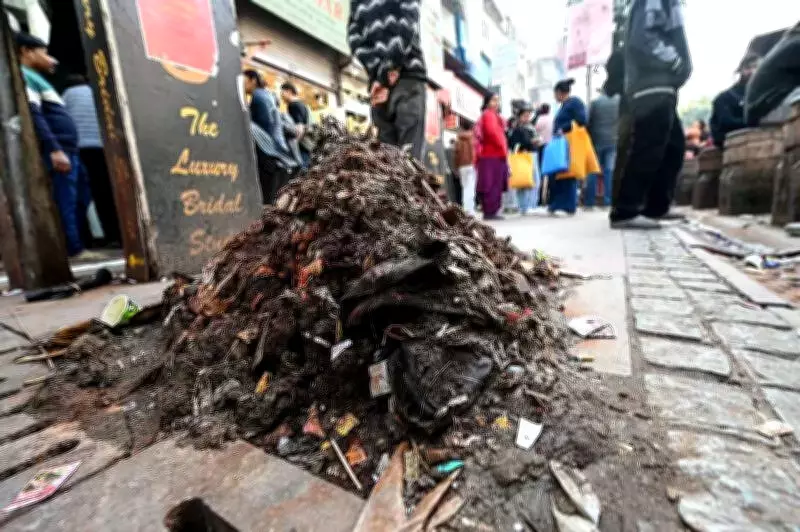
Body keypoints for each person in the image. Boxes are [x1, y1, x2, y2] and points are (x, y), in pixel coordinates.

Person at [17, 33, 101, 260]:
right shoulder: (24, 76)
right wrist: (54, 149)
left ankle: (76, 244)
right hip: (60, 149)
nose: (50, 58)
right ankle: (73, 249)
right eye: (43, 52)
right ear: (26, 51)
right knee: (66, 198)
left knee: (81, 196)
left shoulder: (36, 77)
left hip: (69, 149)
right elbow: (35, 115)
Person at [610, 0, 692, 230]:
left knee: (672, 147)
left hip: (661, 85)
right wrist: (675, 61)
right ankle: (627, 209)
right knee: (649, 147)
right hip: (652, 84)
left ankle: (655, 207)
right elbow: (643, 38)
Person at [348, 0, 427, 160]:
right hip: (407, 76)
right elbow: (408, 24)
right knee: (410, 161)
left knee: (386, 164)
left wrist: (378, 73)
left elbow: (354, 39)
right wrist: (390, 67)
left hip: (378, 86)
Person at [62, 73, 120, 247]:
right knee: (106, 192)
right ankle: (115, 236)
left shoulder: (65, 96)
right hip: (102, 148)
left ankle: (85, 239)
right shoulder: (94, 94)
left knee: (81, 195)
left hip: (78, 149)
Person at [243, 70, 298, 203]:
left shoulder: (258, 96)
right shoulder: (267, 95)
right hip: (277, 150)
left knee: (266, 194)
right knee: (272, 194)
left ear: (253, 80)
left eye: (245, 81)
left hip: (267, 151)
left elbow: (266, 124)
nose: (243, 85)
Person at [549, 79, 588, 215]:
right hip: (561, 143)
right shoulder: (565, 105)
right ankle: (559, 204)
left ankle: (568, 206)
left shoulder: (574, 102)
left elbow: (582, 120)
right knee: (561, 173)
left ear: (560, 93)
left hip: (569, 142)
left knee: (568, 174)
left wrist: (564, 128)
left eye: (555, 94)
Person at [710, 54, 759, 149]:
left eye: (756, 67)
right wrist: (755, 123)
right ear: (740, 70)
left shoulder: (761, 95)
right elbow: (726, 122)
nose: (752, 71)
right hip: (733, 146)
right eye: (748, 67)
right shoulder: (724, 98)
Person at [475, 93, 509, 220]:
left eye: (498, 100)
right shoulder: (488, 115)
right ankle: (490, 211)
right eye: (494, 100)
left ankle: (492, 210)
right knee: (492, 184)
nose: (496, 103)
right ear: (487, 102)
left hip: (494, 154)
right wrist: (503, 148)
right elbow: (492, 133)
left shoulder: (492, 115)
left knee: (494, 183)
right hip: (492, 154)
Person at [586, 87, 620, 208]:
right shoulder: (619, 102)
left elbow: (587, 121)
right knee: (609, 171)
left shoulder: (595, 103)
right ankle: (608, 201)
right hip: (613, 141)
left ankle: (589, 202)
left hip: (596, 141)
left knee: (593, 170)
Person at [507, 104, 542, 214]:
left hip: (532, 155)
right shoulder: (517, 129)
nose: (527, 118)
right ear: (520, 116)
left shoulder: (530, 128)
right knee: (525, 181)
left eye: (528, 115)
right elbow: (513, 144)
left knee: (532, 180)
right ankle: (525, 206)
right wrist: (529, 143)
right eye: (525, 116)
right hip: (524, 156)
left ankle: (530, 205)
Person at [279, 82, 312, 168]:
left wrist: (294, 146)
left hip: (301, 146)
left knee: (302, 172)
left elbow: (299, 128)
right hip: (306, 145)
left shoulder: (294, 105)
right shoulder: (302, 104)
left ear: (289, 91)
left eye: (282, 93)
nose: (281, 96)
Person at [454, 122, 477, 216]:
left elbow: (456, 154)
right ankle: (470, 209)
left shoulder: (458, 139)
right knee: (471, 188)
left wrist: (456, 167)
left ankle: (465, 209)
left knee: (465, 187)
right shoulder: (473, 138)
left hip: (462, 166)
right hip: (472, 165)